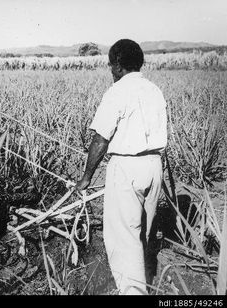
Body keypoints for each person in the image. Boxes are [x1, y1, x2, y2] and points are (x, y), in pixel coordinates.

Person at [75, 39, 167, 295]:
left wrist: (86, 177)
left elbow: (101, 138)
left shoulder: (117, 91)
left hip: (127, 168)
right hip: (154, 167)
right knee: (142, 235)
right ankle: (144, 283)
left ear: (116, 65)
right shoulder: (154, 90)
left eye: (109, 65)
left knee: (124, 239)